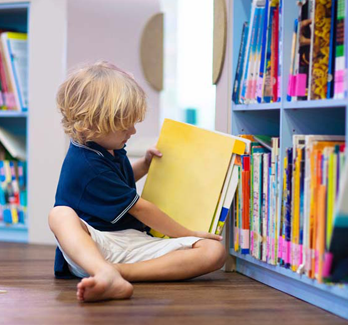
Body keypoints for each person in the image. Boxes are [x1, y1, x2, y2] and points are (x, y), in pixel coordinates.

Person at [49, 61, 226, 302]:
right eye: (124, 126)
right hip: (94, 246)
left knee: (214, 252)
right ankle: (103, 270)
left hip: (130, 242)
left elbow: (117, 185)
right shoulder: (86, 164)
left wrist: (143, 165)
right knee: (60, 214)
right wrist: (188, 233)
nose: (132, 131)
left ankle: (115, 274)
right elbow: (140, 208)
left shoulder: (107, 145)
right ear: (94, 123)